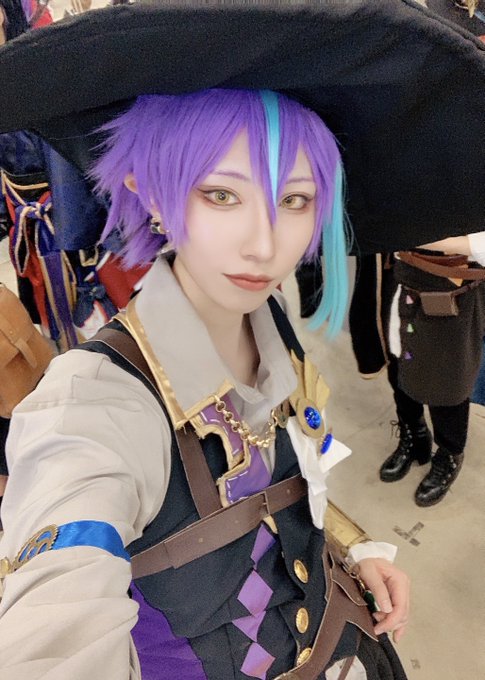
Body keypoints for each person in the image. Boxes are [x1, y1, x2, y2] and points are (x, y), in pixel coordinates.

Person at [0, 89, 409, 680]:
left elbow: (287, 473)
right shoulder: (93, 404)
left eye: (294, 199)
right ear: (150, 192)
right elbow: (56, 624)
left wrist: (350, 549)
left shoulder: (267, 317)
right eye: (222, 194)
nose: (264, 245)